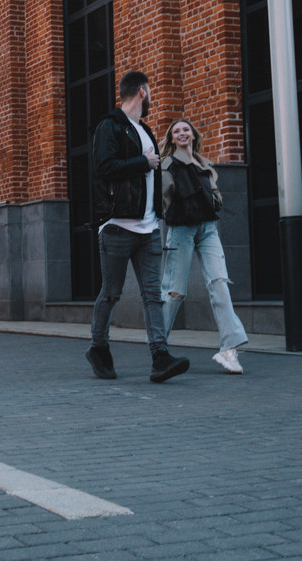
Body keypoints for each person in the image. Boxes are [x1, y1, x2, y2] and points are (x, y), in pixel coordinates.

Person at [85, 71, 190, 383]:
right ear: (142, 91)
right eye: (150, 90)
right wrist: (143, 163)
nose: (151, 95)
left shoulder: (145, 131)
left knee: (152, 296)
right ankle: (98, 347)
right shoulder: (110, 126)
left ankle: (160, 356)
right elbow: (103, 167)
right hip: (118, 226)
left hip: (148, 228)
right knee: (111, 294)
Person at [159, 118, 248, 373]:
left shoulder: (204, 163)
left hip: (208, 229)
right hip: (181, 231)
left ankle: (229, 350)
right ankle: (158, 345)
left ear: (193, 134)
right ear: (172, 138)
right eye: (176, 131)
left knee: (219, 282)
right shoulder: (168, 165)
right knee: (175, 291)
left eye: (185, 129)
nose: (182, 133)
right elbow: (161, 200)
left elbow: (214, 194)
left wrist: (215, 199)